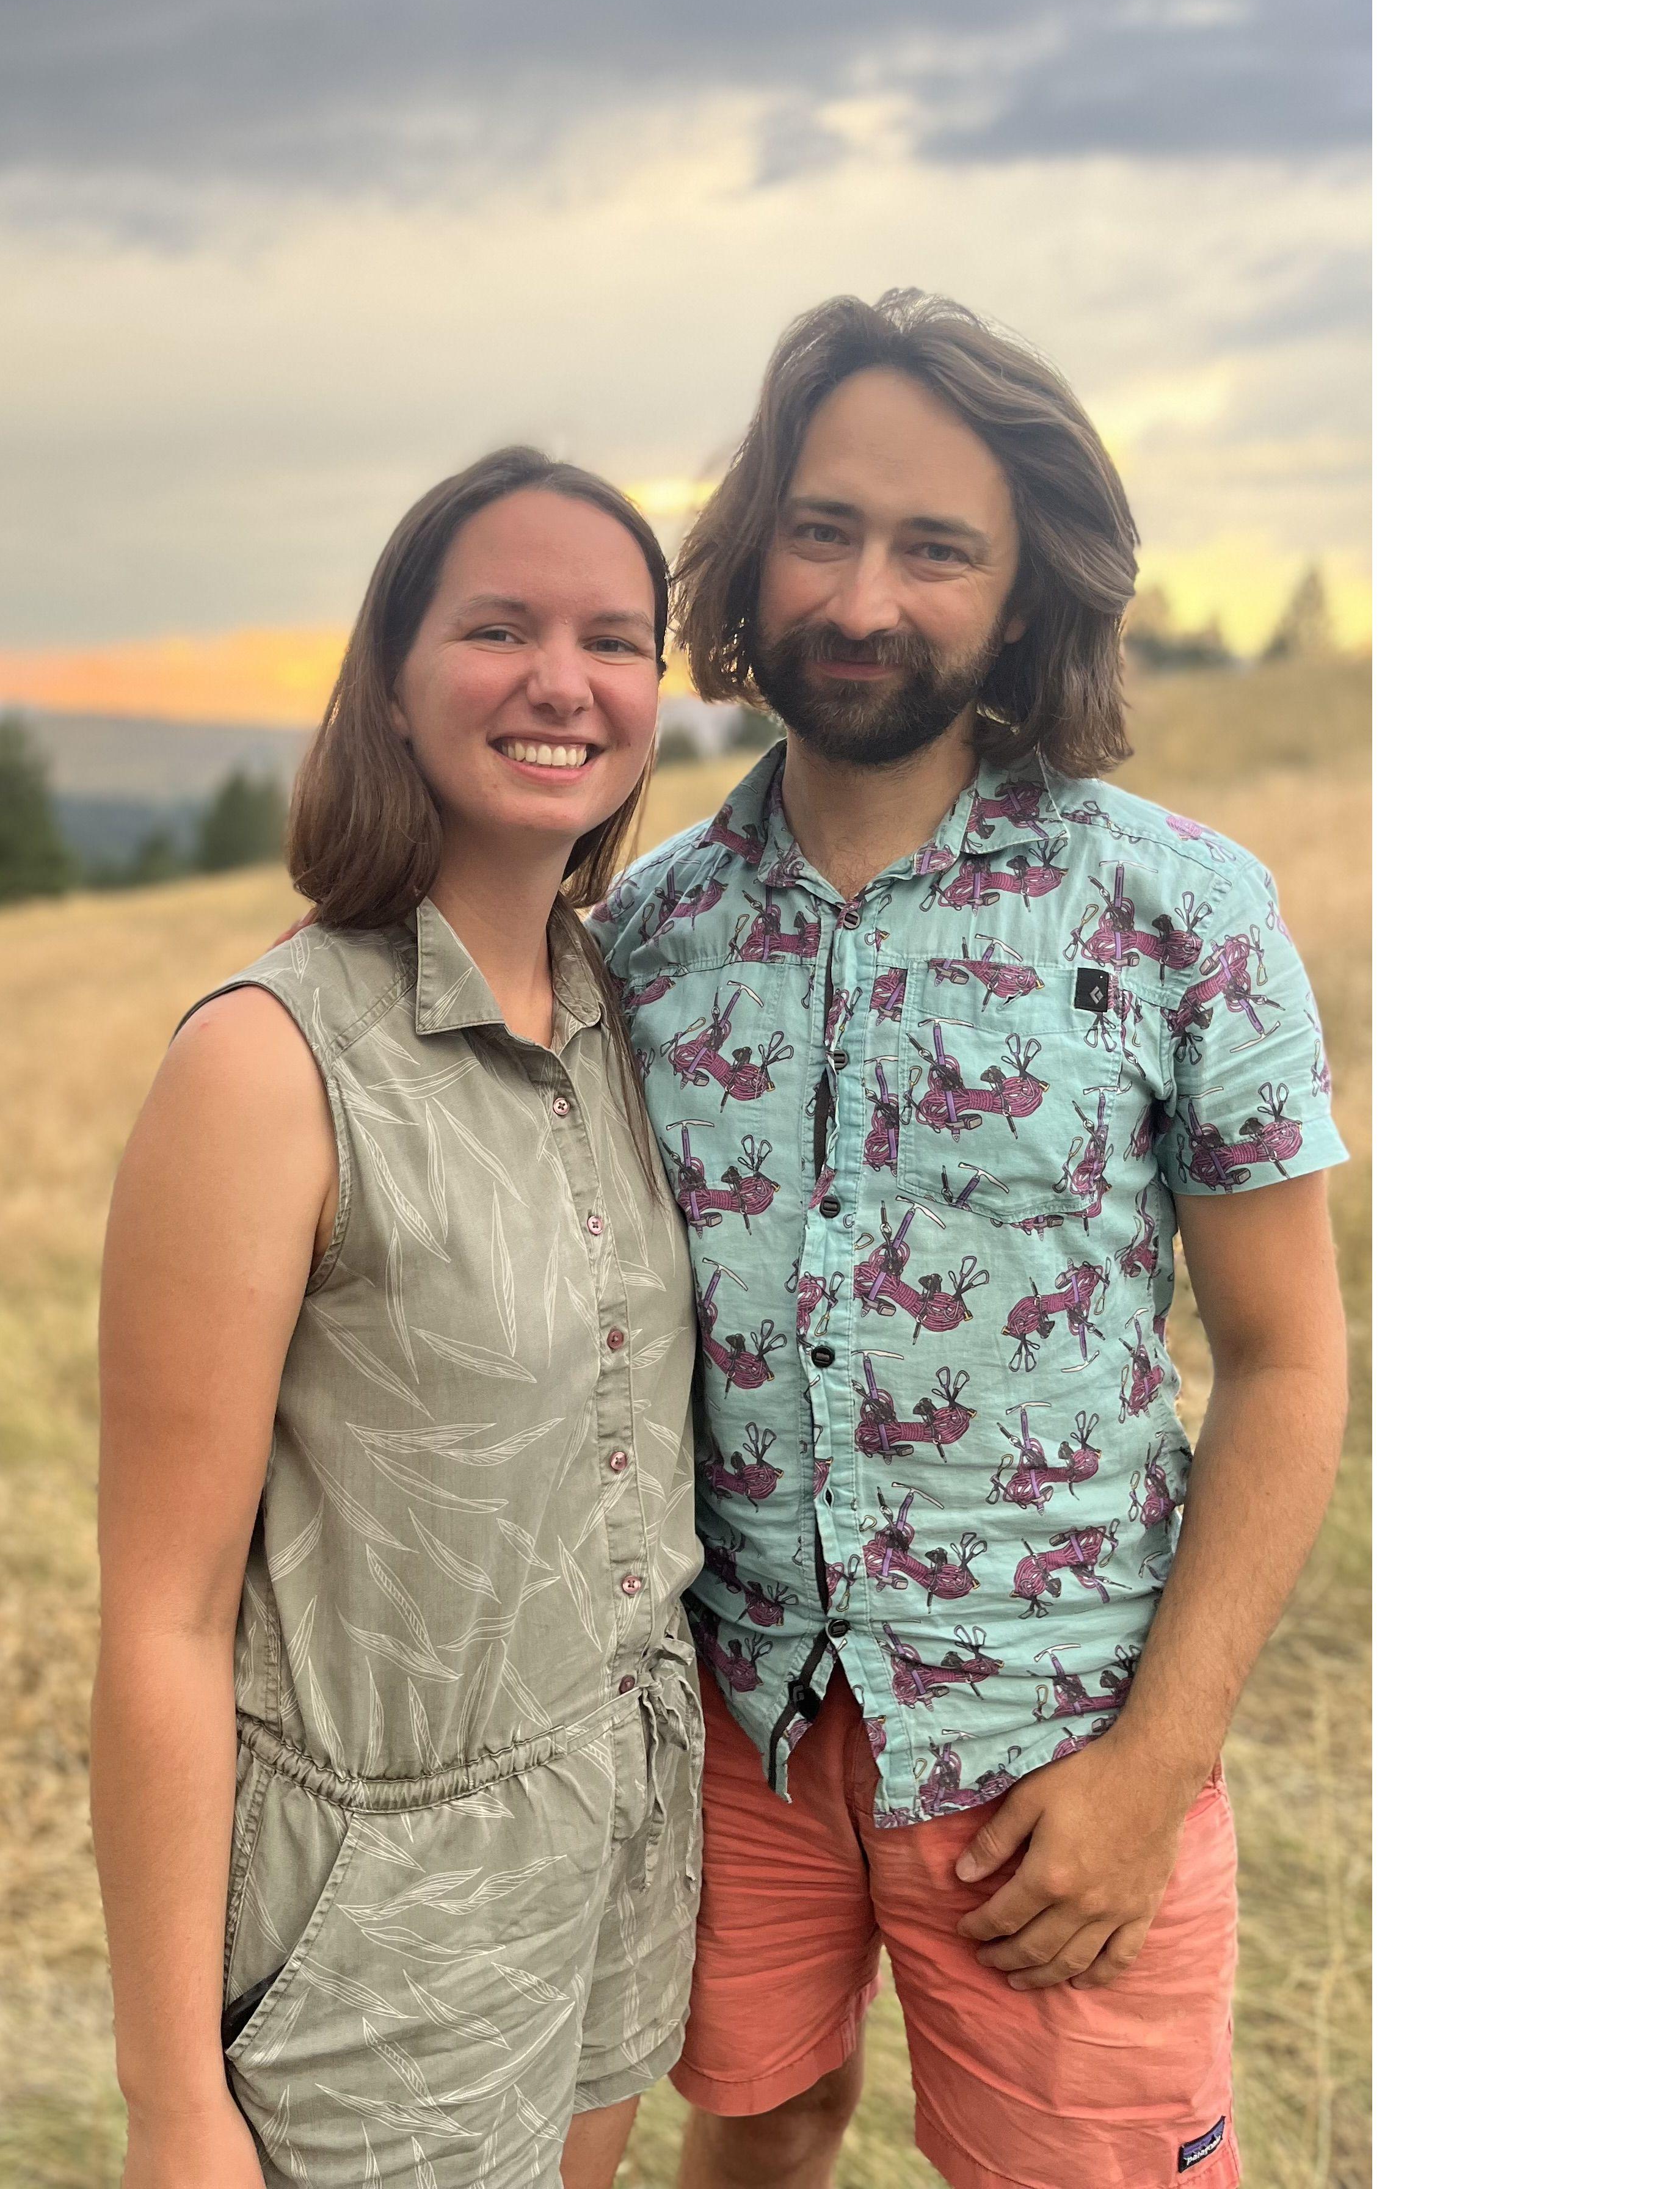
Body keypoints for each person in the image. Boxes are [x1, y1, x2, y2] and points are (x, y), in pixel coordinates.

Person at [594, 292, 1351, 2189]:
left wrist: (1153, 1771)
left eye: (940, 549)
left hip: (1060, 1754)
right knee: (756, 2122)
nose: (868, 599)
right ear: (754, 553)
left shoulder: (1186, 914)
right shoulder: (646, 943)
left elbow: (1287, 1360)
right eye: (826, 530)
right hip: (740, 1725)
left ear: (1022, 597)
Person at [92, 448, 705, 2189]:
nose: (560, 680)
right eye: (497, 627)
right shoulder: (265, 1065)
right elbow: (163, 1618)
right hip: (382, 1909)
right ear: (393, 675)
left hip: (616, 1828)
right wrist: (169, 2104)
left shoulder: (617, 1009)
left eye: (612, 638)